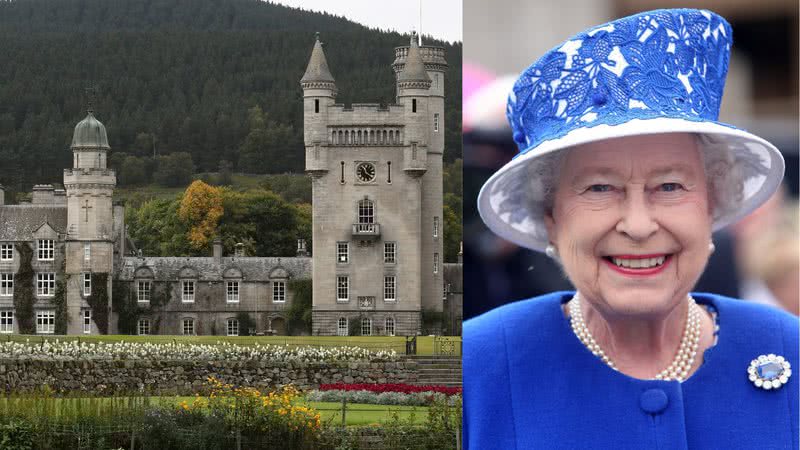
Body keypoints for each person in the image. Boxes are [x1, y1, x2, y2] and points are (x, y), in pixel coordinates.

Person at [464, 9, 798, 450]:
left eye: (670, 186)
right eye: (600, 187)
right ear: (551, 216)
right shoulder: (469, 370)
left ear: (712, 206)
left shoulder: (788, 348)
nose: (639, 225)